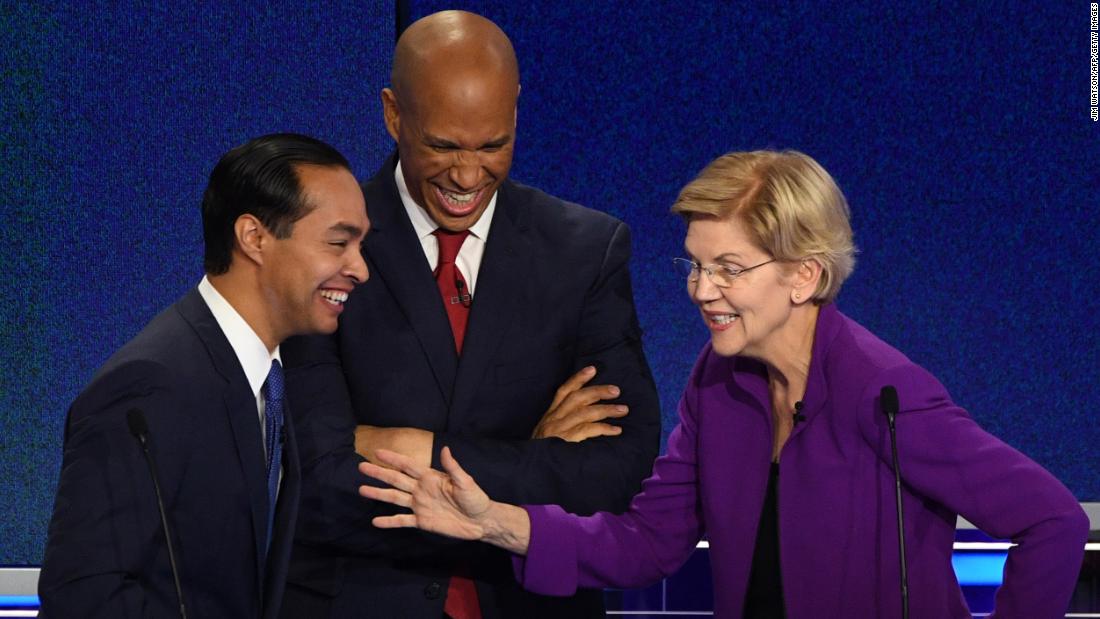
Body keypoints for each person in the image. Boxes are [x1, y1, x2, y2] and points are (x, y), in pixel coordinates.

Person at [358, 150, 1091, 619]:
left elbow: (1053, 520)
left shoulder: (885, 393)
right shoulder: (719, 383)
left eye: (728, 268)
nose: (702, 290)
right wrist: (493, 520)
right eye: (694, 264)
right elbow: (647, 542)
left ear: (805, 275)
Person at [277, 9, 661, 619]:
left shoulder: (586, 251)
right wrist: (531, 452)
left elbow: (619, 472)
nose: (466, 174)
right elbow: (320, 479)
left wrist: (415, 447)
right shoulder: (321, 243)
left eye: (493, 145)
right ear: (393, 115)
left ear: (514, 115)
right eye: (443, 146)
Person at [38, 133, 370, 618]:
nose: (359, 268)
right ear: (254, 238)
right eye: (339, 243)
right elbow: (83, 599)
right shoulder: (149, 386)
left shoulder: (272, 380)